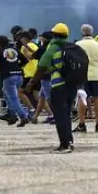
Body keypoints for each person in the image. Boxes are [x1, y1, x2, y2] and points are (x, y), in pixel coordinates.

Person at [33, 23, 76, 153]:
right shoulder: (70, 47)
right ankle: (69, 141)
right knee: (66, 114)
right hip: (71, 85)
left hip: (59, 86)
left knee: (60, 115)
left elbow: (41, 65)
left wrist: (31, 84)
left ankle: (64, 145)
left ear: (53, 35)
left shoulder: (53, 47)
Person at [75, 24, 98, 133]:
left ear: (82, 33)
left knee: (82, 99)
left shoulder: (77, 45)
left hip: (81, 76)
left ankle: (81, 123)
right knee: (97, 100)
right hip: (96, 76)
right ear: (92, 32)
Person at [0, 35, 28, 126]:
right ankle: (12, 115)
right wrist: (17, 67)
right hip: (19, 76)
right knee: (6, 94)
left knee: (13, 98)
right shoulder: (15, 49)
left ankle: (23, 117)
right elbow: (25, 61)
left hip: (8, 77)